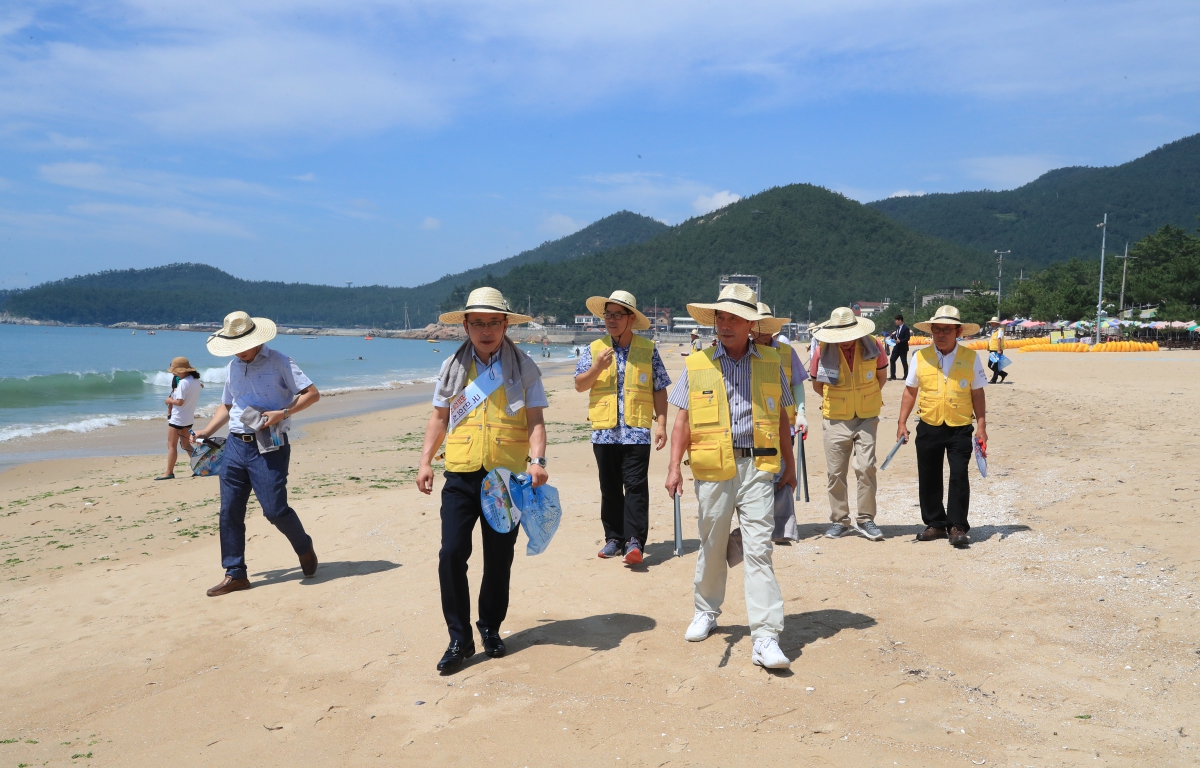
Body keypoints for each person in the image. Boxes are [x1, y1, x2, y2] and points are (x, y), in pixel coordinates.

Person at [664, 283, 797, 670]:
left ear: (751, 324)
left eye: (733, 318)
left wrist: (790, 464)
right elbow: (683, 421)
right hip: (712, 466)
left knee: (759, 549)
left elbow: (781, 416)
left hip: (759, 467)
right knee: (712, 542)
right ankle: (706, 610)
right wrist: (673, 468)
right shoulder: (698, 363)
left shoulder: (771, 361)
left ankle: (765, 636)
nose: (724, 324)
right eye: (720, 317)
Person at [417, 287, 549, 673]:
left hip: (506, 478)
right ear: (466, 326)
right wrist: (424, 462)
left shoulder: (524, 367)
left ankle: (490, 627)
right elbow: (439, 417)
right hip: (460, 474)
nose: (486, 330)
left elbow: (535, 420)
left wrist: (538, 461)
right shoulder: (452, 367)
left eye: (493, 323)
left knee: (498, 559)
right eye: (478, 323)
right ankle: (459, 639)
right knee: (451, 554)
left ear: (506, 325)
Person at [193, 312, 321, 597]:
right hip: (235, 445)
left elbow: (312, 394)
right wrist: (206, 430)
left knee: (275, 510)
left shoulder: (280, 362)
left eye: (242, 345)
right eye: (233, 346)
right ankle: (235, 573)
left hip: (270, 445)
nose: (238, 351)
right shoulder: (232, 366)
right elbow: (228, 406)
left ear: (256, 339)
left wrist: (283, 412)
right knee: (229, 511)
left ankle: (304, 546)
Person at [574, 290, 671, 565]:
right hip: (604, 432)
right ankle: (614, 538)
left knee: (636, 487)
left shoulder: (648, 349)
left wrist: (662, 424)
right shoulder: (595, 348)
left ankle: (634, 541)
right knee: (610, 488)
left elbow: (659, 388)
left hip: (637, 431)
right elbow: (580, 384)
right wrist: (596, 367)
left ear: (631, 319)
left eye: (618, 315)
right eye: (608, 315)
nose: (612, 320)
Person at [897, 305, 988, 549]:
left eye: (947, 330)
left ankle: (957, 526)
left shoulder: (971, 358)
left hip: (960, 426)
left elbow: (977, 393)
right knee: (929, 475)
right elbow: (910, 391)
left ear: (958, 331)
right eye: (937, 329)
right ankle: (935, 523)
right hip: (929, 424)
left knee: (959, 474)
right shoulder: (920, 357)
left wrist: (981, 426)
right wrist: (902, 423)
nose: (941, 334)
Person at [810, 307, 889, 541]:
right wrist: (841, 401)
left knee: (866, 467)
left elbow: (881, 377)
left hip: (866, 416)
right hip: (835, 417)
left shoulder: (873, 346)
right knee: (836, 472)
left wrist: (864, 399)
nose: (845, 340)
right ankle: (840, 520)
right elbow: (817, 385)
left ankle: (865, 519)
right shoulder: (822, 350)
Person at [751, 304, 810, 543]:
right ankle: (758, 525)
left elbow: (797, 384)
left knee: (783, 474)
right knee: (756, 476)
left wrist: (802, 413)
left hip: (784, 424)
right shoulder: (743, 351)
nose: (764, 331)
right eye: (759, 326)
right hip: (752, 425)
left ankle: (783, 528)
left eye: (768, 326)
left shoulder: (786, 351)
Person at [156, 357, 202, 480]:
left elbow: (180, 402)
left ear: (179, 370)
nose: (173, 373)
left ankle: (169, 472)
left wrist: (168, 400)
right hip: (189, 418)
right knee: (186, 445)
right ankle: (200, 467)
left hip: (178, 419)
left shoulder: (183, 383)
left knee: (171, 445)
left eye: (174, 370)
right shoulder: (196, 381)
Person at [889, 314, 911, 381]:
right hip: (896, 347)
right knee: (892, 360)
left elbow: (907, 338)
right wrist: (892, 337)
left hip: (903, 348)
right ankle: (893, 376)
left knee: (904, 361)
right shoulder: (897, 327)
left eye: (896, 320)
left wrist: (900, 341)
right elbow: (896, 335)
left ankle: (906, 376)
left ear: (900, 320)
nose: (895, 321)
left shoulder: (906, 328)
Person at [987, 317, 1008, 383]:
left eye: (992, 322)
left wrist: (999, 349)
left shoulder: (1000, 330)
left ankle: (994, 379)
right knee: (990, 365)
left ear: (996, 323)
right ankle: (1003, 374)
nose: (991, 323)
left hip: (996, 349)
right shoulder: (993, 330)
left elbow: (999, 339)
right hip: (992, 349)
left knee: (995, 365)